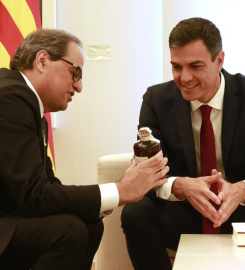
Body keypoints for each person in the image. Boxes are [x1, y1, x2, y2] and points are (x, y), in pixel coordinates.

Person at [0, 29, 169, 270]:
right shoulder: (10, 97)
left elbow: (48, 189)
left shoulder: (30, 109)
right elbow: (33, 195)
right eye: (75, 72)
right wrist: (119, 190)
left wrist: (114, 195)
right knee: (69, 232)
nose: (78, 86)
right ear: (42, 60)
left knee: (89, 224)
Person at [121, 17, 245, 270]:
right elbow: (147, 172)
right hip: (185, 211)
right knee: (136, 215)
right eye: (176, 67)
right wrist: (181, 186)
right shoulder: (156, 99)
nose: (185, 77)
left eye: (195, 66)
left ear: (219, 60)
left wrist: (242, 190)